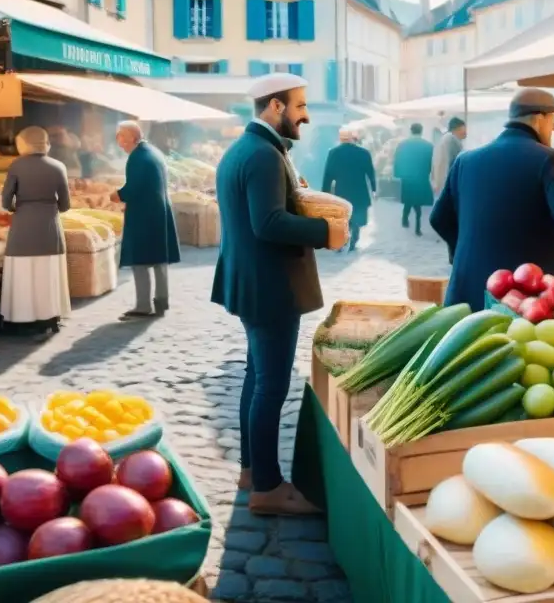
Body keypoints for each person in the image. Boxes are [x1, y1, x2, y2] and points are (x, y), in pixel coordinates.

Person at [212, 72, 348, 514]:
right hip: (271, 285)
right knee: (271, 386)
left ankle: (254, 471)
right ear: (276, 107)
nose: (305, 115)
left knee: (257, 379)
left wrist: (299, 196)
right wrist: (325, 230)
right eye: (300, 105)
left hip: (253, 281)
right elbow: (267, 223)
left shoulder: (247, 150)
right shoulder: (264, 155)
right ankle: (268, 489)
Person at [431, 88, 554, 312]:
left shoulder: (466, 160)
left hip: (467, 293)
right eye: (553, 120)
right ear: (539, 118)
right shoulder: (549, 159)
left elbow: (438, 218)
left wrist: (465, 252)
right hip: (520, 299)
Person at [0, 127, 71, 335]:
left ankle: (23, 318)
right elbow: (66, 204)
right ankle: (50, 317)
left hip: (23, 226)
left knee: (23, 271)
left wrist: (19, 208)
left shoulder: (16, 166)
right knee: (48, 272)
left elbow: (6, 201)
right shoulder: (59, 167)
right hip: (50, 227)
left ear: (23, 143)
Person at [114, 121, 180, 320]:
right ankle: (161, 301)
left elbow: (133, 188)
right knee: (159, 259)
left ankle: (143, 307)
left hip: (144, 214)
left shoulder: (137, 158)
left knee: (140, 260)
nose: (119, 142)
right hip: (158, 211)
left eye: (122, 137)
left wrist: (116, 195)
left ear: (133, 137)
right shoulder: (153, 152)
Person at [321, 127, 376, 251]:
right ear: (354, 138)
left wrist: (325, 191)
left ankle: (342, 240)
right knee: (357, 214)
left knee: (342, 215)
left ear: (341, 139)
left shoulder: (334, 152)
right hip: (359, 188)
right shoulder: (364, 152)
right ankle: (354, 241)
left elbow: (328, 174)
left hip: (342, 189)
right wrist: (374, 188)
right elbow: (370, 172)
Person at [394, 123, 434, 236]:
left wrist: (397, 175)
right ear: (421, 131)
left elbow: (397, 161)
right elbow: (432, 162)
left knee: (408, 200)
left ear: (411, 131)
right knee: (418, 203)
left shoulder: (402, 145)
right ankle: (417, 227)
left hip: (407, 177)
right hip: (421, 177)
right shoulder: (428, 146)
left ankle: (405, 218)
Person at [431, 116, 466, 194]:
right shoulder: (452, 139)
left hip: (439, 183)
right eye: (463, 129)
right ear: (456, 129)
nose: (465, 132)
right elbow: (461, 160)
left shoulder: (444, 139)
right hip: (448, 183)